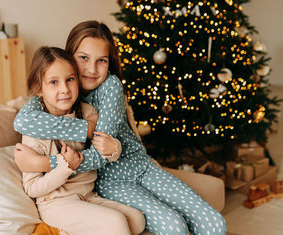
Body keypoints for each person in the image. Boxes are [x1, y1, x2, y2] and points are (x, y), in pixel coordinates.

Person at [14, 21, 227, 235]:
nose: (91, 69)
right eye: (84, 58)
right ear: (70, 57)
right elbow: (22, 122)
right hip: (109, 182)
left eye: (102, 60)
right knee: (174, 226)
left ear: (110, 62)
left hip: (140, 166)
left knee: (214, 223)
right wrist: (84, 129)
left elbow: (100, 154)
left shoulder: (110, 86)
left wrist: (43, 163)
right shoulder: (60, 92)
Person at [16, 46, 145, 235]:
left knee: (137, 219)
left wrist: (113, 148)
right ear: (39, 89)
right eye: (54, 82)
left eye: (70, 79)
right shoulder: (34, 130)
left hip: (88, 196)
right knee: (115, 222)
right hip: (56, 204)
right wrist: (63, 168)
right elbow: (32, 188)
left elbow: (104, 151)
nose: (65, 89)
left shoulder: (87, 112)